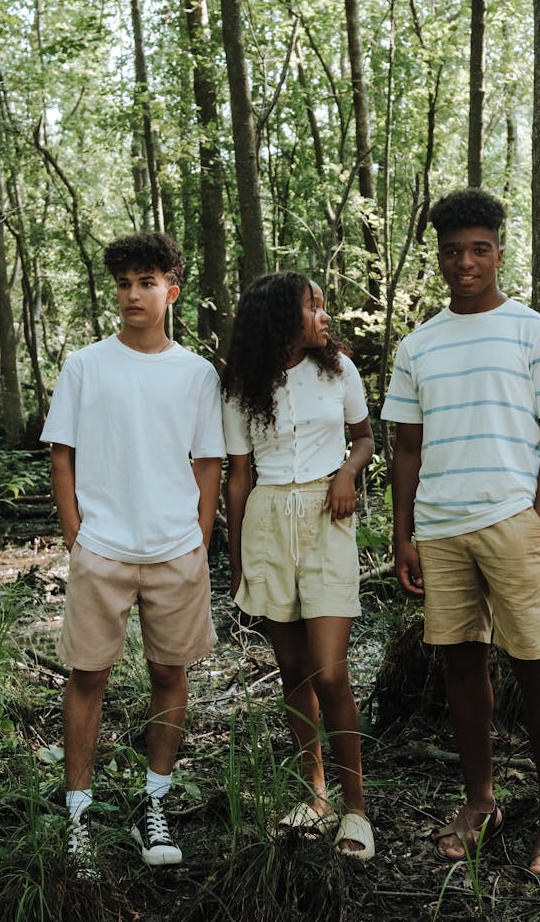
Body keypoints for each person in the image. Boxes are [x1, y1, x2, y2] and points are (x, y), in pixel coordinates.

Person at [381, 187, 540, 881]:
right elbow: (405, 447)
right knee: (461, 663)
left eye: (478, 249)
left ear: (499, 252)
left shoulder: (536, 331)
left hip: (511, 525)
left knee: (535, 664)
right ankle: (481, 802)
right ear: (438, 258)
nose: (465, 262)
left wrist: (537, 520)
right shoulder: (419, 344)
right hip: (440, 528)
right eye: (451, 251)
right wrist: (403, 532)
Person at [40, 231, 224, 871]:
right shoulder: (86, 364)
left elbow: (208, 463)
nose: (133, 295)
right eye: (123, 283)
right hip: (103, 549)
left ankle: (156, 804)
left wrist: (198, 542)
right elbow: (62, 455)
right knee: (87, 675)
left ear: (170, 291)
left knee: (169, 675)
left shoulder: (197, 373)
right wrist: (77, 538)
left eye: (146, 282)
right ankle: (79, 815)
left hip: (176, 549)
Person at [222, 272, 376, 860]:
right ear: (282, 318)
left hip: (326, 518)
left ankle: (356, 809)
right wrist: (237, 562)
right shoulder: (242, 384)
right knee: (293, 671)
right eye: (313, 306)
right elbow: (238, 478)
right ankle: (314, 796)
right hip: (266, 522)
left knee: (331, 672)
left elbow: (365, 438)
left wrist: (344, 475)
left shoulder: (339, 370)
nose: (325, 314)